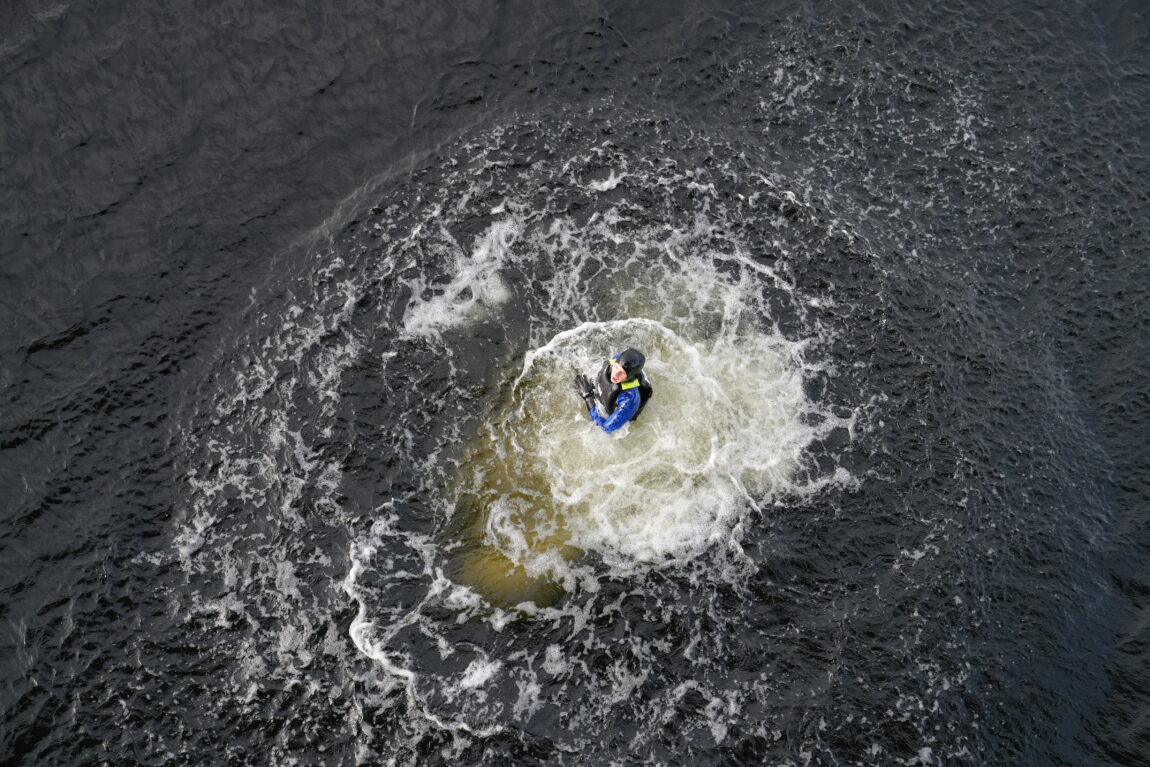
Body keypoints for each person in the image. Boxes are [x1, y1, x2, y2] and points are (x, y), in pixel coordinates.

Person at [573, 347, 654, 433]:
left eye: (621, 373)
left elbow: (605, 428)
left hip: (628, 410)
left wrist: (588, 398)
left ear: (630, 376)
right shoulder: (617, 359)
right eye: (616, 367)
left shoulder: (629, 399)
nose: (615, 374)